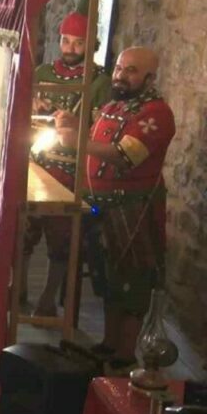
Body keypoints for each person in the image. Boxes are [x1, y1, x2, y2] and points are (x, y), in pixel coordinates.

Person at [55, 47, 175, 373]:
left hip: (131, 211)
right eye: (120, 68)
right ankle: (109, 343)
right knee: (108, 279)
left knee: (132, 280)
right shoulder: (113, 106)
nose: (121, 75)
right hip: (102, 207)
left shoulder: (156, 113)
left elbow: (125, 155)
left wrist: (77, 142)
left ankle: (125, 353)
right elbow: (98, 138)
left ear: (149, 78)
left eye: (131, 71)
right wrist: (75, 125)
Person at [24, 13, 114, 317]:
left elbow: (102, 131)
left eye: (78, 43)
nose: (70, 48)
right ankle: (18, 286)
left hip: (73, 168)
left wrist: (78, 124)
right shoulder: (43, 72)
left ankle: (48, 297)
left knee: (61, 238)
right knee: (24, 229)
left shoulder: (99, 82)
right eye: (65, 41)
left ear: (90, 44)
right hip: (38, 160)